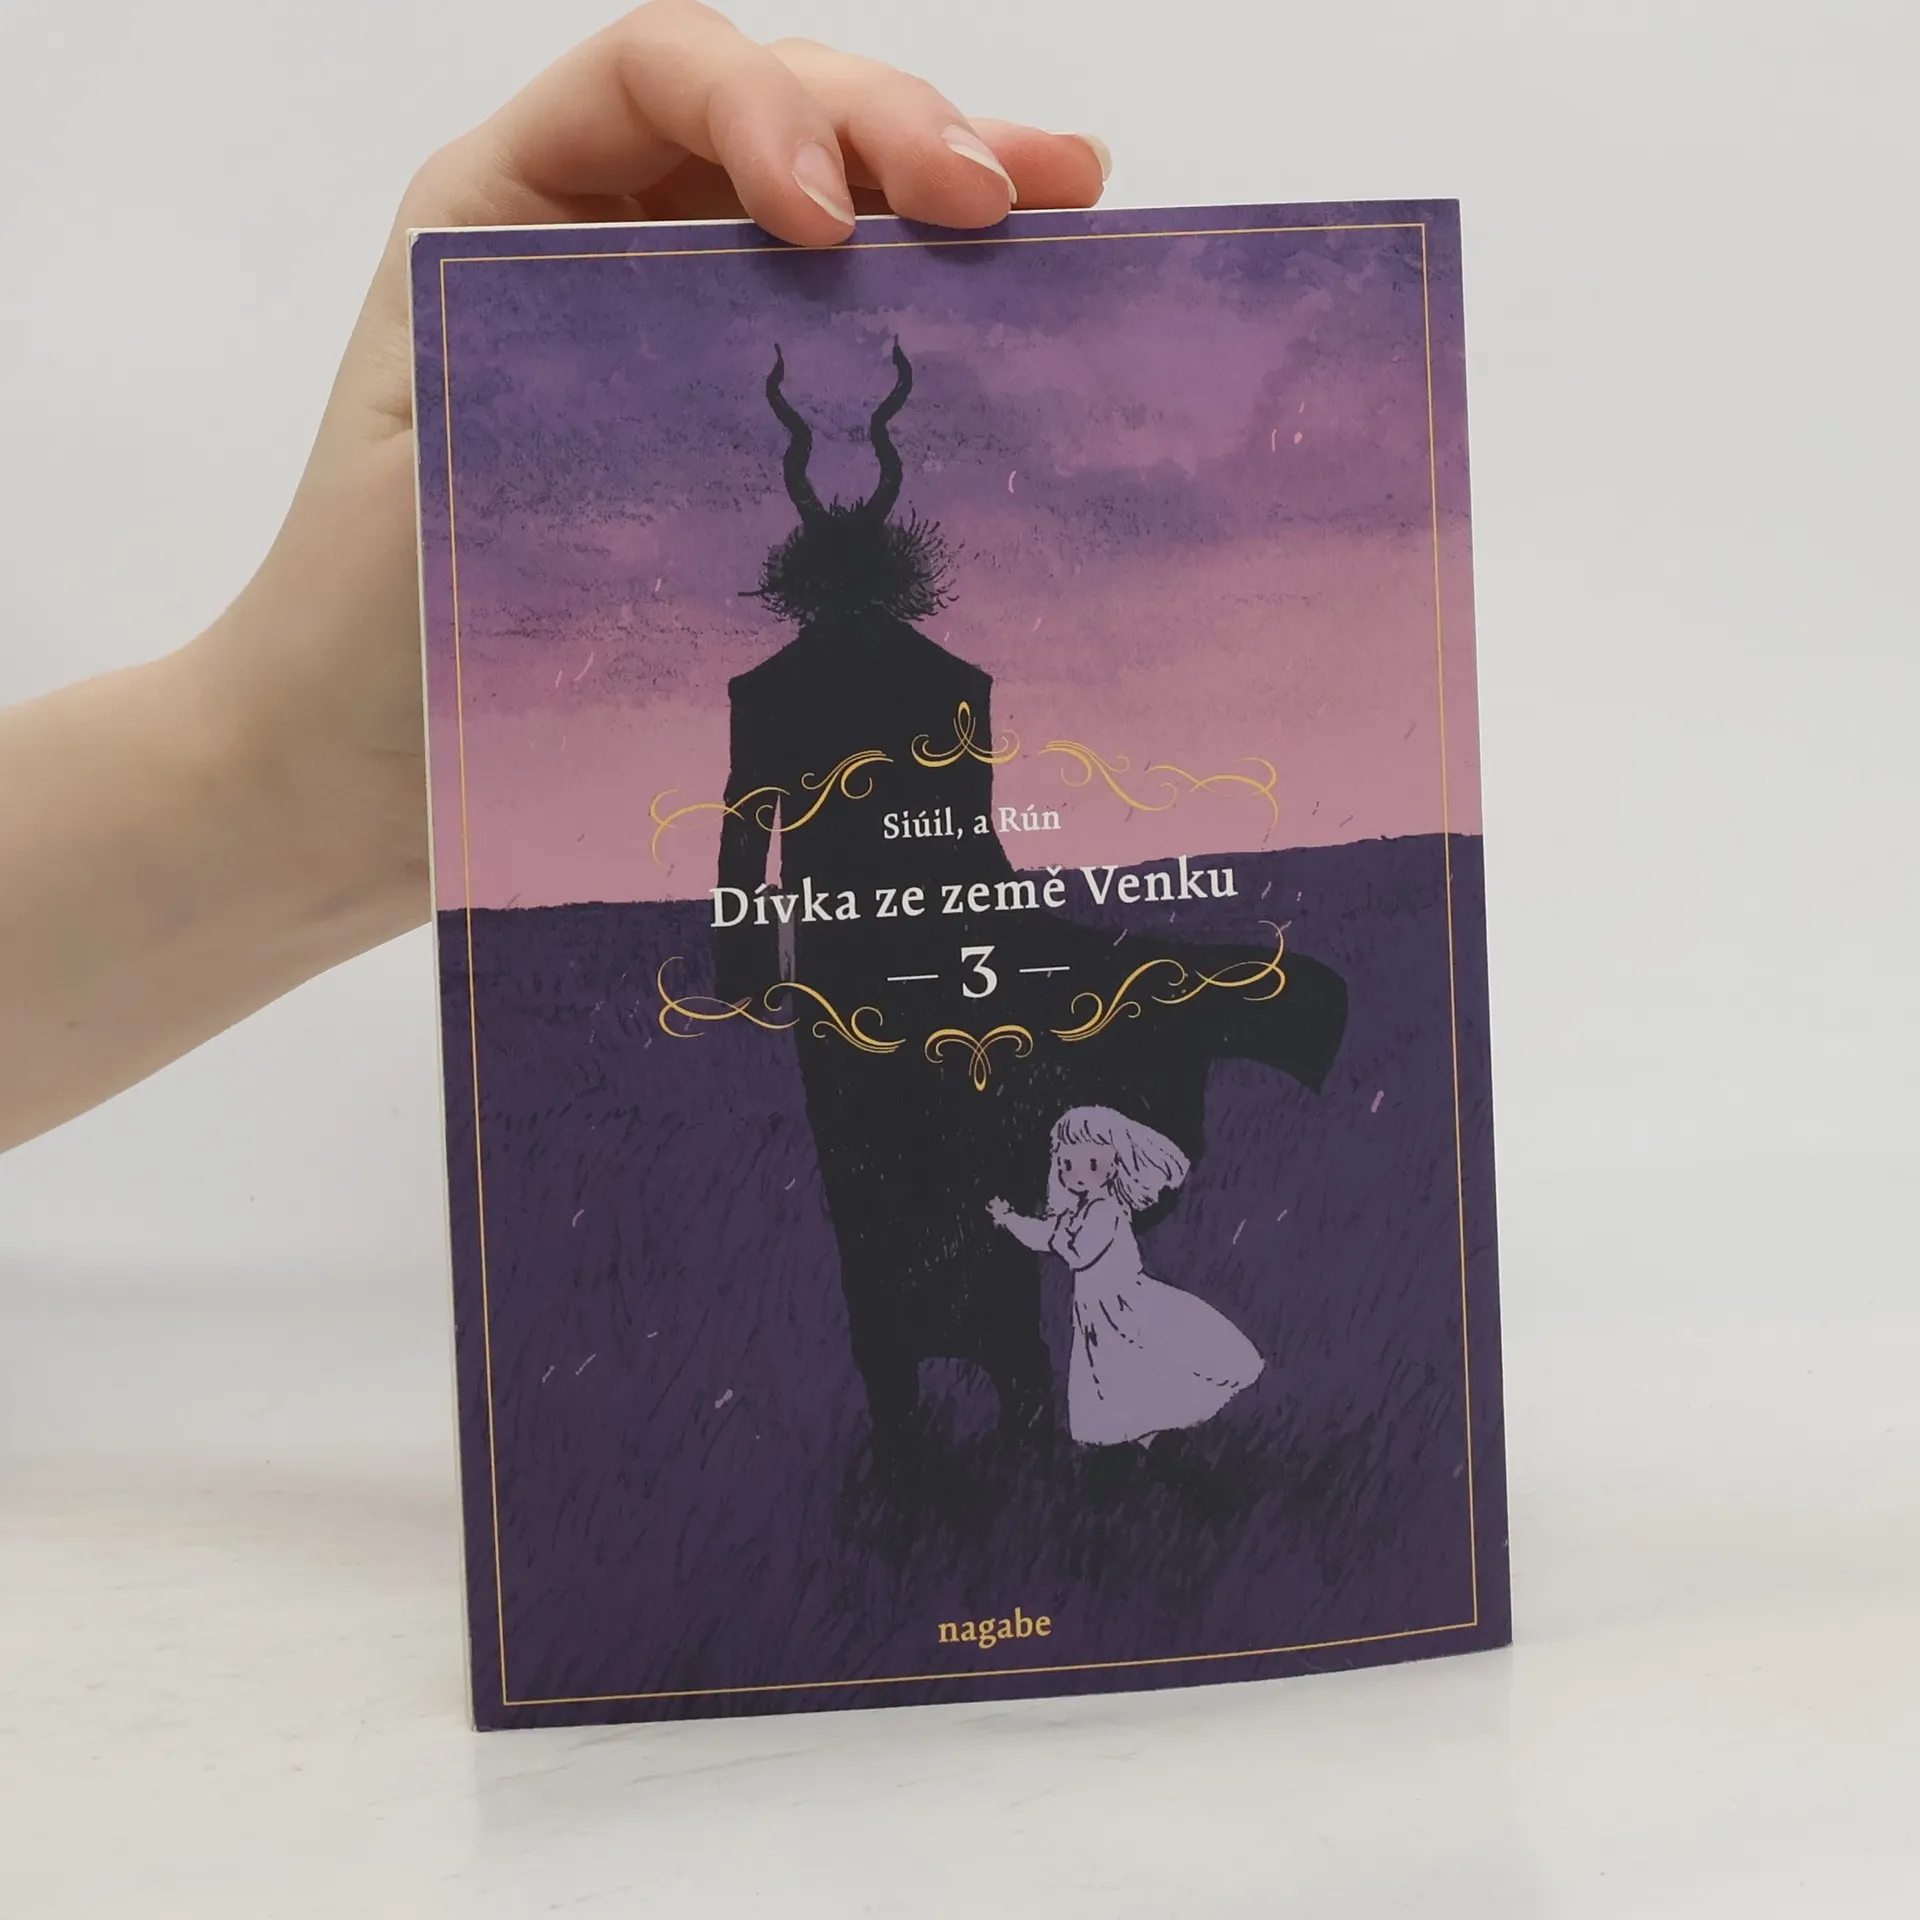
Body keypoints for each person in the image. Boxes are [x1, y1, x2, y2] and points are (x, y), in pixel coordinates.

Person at [0, 1, 1113, 1155]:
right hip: (965, 992)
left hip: (848, 1006)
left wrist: (746, 987)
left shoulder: (775, 694)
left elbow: (751, 858)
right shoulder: (951, 681)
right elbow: (969, 853)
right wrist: (298, 772)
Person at [988, 1105, 1265, 1449]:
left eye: (1091, 1163)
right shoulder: (1079, 1212)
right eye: (1067, 1164)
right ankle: (1152, 1444)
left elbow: (1079, 1253)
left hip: (1121, 1305)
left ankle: (1167, 1443)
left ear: (1115, 1161)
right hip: (1096, 1312)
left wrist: (1056, 1234)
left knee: (1145, 1362)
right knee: (1115, 1382)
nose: (1077, 1173)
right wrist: (1010, 1220)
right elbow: (1044, 1235)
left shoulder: (1106, 1211)